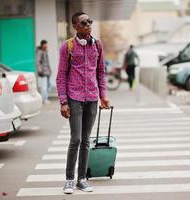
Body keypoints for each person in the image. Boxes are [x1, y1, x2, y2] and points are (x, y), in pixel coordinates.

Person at [56, 11, 110, 194]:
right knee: (76, 138)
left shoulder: (98, 45)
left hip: (92, 98)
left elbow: (101, 72)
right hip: (74, 98)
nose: (88, 24)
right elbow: (61, 75)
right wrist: (63, 102)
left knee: (86, 140)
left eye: (90, 21)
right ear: (75, 27)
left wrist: (104, 95)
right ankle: (69, 179)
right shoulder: (68, 46)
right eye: (84, 22)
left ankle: (82, 179)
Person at [36, 40, 52, 104]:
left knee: (50, 85)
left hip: (47, 72)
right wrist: (40, 71)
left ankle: (44, 98)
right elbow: (37, 62)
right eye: (45, 44)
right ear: (42, 45)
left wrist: (50, 70)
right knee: (44, 87)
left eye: (47, 44)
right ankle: (43, 100)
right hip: (43, 72)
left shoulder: (44, 51)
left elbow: (47, 63)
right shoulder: (39, 52)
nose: (46, 46)